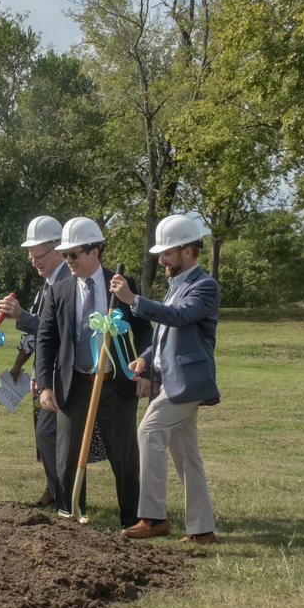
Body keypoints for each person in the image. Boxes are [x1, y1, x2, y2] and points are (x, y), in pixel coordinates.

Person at [113, 213, 220, 544]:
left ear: (188, 251)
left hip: (186, 384)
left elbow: (178, 317)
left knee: (148, 430)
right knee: (187, 457)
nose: (161, 260)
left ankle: (154, 518)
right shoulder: (177, 287)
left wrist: (133, 301)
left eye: (167, 253)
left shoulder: (204, 286)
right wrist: (145, 359)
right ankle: (202, 530)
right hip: (172, 379)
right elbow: (164, 337)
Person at [32, 217, 140, 529]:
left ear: (94, 252)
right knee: (66, 456)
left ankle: (131, 520)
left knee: (124, 456)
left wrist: (145, 367)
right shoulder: (60, 290)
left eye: (73, 255)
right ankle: (70, 514)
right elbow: (46, 340)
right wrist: (45, 386)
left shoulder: (121, 285)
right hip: (75, 384)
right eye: (65, 256)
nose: (68, 262)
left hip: (116, 384)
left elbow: (143, 329)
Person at [0, 215, 65, 507]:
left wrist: (21, 316)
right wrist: (18, 366)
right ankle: (55, 487)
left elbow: (56, 330)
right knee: (45, 436)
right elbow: (35, 335)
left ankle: (64, 492)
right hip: (43, 373)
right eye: (31, 256)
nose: (35, 261)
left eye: (40, 255)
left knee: (51, 434)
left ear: (59, 249)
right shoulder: (47, 284)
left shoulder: (67, 281)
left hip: (62, 372)